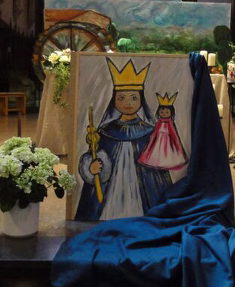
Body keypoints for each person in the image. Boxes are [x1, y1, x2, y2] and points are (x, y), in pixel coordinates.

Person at [76, 58, 172, 221]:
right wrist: (91, 168)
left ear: (141, 100)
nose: (128, 103)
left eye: (133, 98)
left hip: (143, 197)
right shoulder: (105, 132)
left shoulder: (149, 131)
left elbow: (157, 171)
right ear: (114, 100)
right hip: (110, 198)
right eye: (121, 98)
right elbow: (94, 155)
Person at [138, 92, 188, 170]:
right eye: (162, 112)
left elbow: (174, 134)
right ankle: (156, 162)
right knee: (156, 151)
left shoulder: (170, 123)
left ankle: (167, 163)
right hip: (158, 139)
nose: (164, 114)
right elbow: (156, 130)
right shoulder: (159, 122)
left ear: (171, 113)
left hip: (168, 140)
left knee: (167, 152)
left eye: (167, 112)